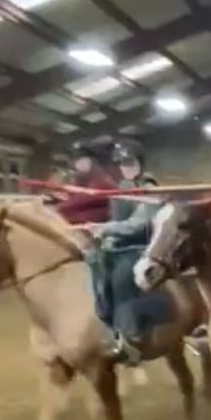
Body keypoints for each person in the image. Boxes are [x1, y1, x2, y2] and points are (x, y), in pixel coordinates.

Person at [88, 140, 169, 365]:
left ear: (140, 163)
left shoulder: (150, 189)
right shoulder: (123, 187)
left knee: (122, 277)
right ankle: (106, 323)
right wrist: (104, 235)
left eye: (130, 162)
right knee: (93, 263)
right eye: (123, 163)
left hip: (143, 246)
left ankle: (130, 337)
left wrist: (105, 229)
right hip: (121, 243)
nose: (127, 167)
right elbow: (117, 220)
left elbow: (139, 224)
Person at [55, 142, 117, 225]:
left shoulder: (102, 180)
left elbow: (81, 199)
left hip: (92, 224)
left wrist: (61, 207)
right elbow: (73, 192)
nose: (74, 164)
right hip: (79, 221)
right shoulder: (83, 177)